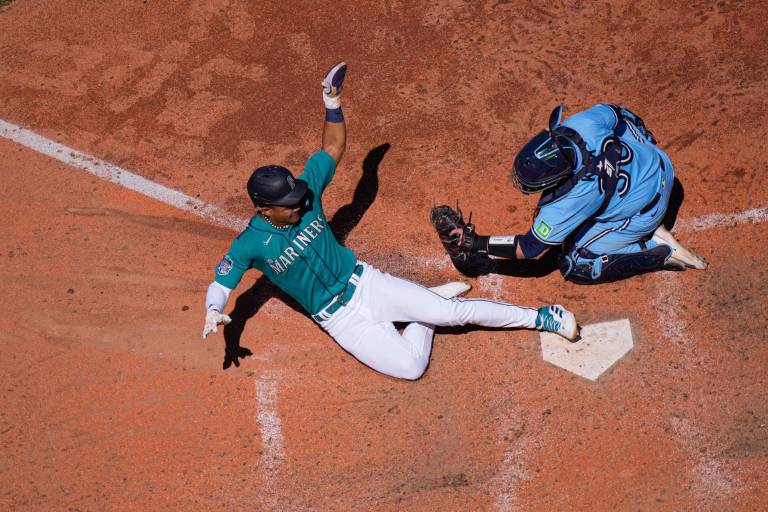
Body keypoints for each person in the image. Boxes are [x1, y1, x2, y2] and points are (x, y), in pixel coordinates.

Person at [201, 61, 580, 380]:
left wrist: (331, 102)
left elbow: (332, 147)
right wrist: (214, 311)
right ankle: (425, 311)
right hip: (341, 321)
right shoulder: (250, 244)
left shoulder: (306, 190)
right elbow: (223, 283)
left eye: (297, 196)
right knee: (412, 366)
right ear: (264, 209)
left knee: (456, 313)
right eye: (288, 203)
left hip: (367, 285)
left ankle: (541, 317)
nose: (299, 203)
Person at [431, 103, 707, 284]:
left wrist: (476, 243)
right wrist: (644, 143)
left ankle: (658, 251)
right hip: (661, 165)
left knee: (576, 263)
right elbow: (618, 114)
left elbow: (529, 248)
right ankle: (640, 210)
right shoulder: (579, 126)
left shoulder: (568, 201)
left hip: (647, 209)